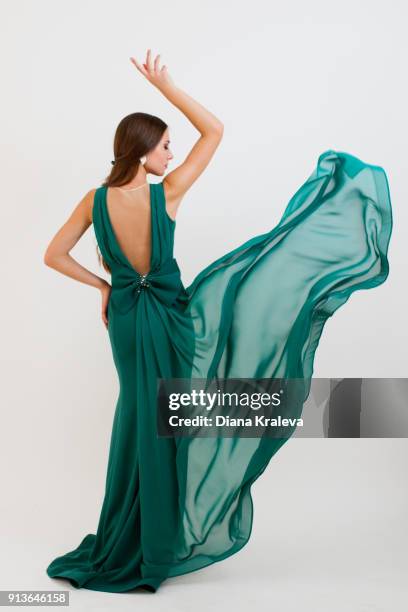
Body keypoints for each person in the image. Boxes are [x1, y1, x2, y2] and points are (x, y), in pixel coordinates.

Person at [44, 49, 393, 593]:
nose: (170, 153)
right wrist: (169, 89)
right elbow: (215, 131)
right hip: (169, 318)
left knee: (139, 418)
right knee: (170, 420)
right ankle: (153, 544)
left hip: (130, 323)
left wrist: (106, 286)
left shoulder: (95, 202)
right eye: (163, 145)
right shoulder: (168, 195)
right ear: (142, 151)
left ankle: (129, 539)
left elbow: (54, 255)